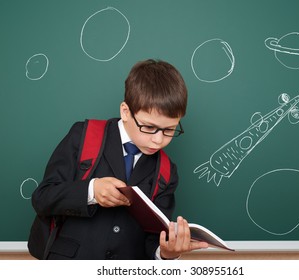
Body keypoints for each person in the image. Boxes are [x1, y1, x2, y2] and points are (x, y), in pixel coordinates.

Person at [28, 59, 208, 260]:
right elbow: (42, 198)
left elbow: (154, 237)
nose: (158, 140)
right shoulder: (84, 136)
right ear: (125, 112)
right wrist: (91, 191)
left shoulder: (167, 171)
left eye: (169, 130)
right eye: (148, 127)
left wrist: (165, 253)